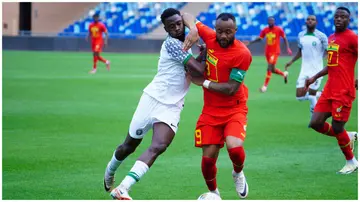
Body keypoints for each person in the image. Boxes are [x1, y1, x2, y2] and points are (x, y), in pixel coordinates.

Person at [103, 8, 205, 200]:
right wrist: (207, 53)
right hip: (152, 99)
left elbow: (190, 16)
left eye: (178, 24)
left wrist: (192, 28)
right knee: (129, 146)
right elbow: (198, 70)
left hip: (172, 106)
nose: (176, 28)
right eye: (171, 26)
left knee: (159, 146)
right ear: (166, 30)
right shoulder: (172, 45)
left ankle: (123, 188)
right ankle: (109, 171)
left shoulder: (187, 32)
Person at [182, 12, 252, 198]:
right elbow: (185, 14)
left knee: (235, 148)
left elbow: (231, 88)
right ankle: (215, 194)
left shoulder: (243, 54)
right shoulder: (210, 37)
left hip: (234, 108)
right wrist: (194, 28)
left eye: (228, 32)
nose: (223, 36)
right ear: (215, 29)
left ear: (235, 31)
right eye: (219, 31)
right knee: (207, 161)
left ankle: (237, 173)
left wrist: (203, 83)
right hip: (211, 111)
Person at [305, 7, 358, 174]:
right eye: (337, 17)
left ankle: (352, 162)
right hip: (329, 89)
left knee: (336, 127)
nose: (339, 19)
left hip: (343, 90)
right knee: (315, 123)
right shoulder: (332, 38)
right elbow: (332, 64)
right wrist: (315, 77)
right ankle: (347, 136)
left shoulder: (352, 38)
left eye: (343, 17)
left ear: (349, 20)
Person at [284, 15, 328, 117]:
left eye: (312, 19)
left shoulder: (321, 36)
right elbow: (300, 51)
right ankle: (321, 94)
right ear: (305, 22)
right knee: (299, 97)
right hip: (304, 70)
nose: (310, 21)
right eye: (308, 19)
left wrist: (328, 59)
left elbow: (328, 51)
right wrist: (291, 61)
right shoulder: (301, 35)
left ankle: (315, 116)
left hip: (317, 71)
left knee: (312, 95)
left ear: (316, 22)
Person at [246, 16, 292, 92]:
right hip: (267, 52)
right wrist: (250, 42)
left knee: (269, 67)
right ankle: (284, 74)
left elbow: (284, 38)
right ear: (268, 22)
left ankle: (265, 86)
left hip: (275, 52)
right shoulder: (265, 30)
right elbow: (260, 38)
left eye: (272, 21)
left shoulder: (278, 29)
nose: (271, 22)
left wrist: (288, 48)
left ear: (274, 22)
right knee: (272, 69)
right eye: (269, 21)